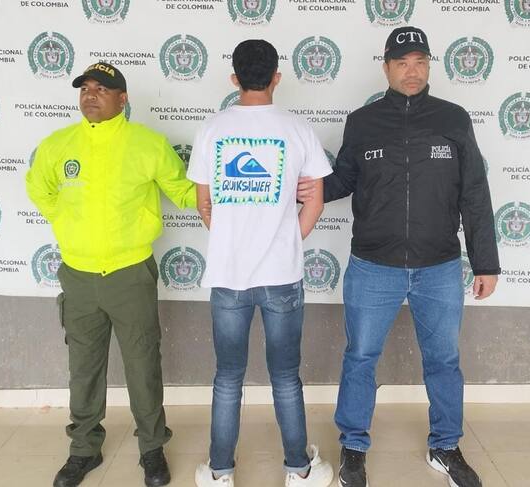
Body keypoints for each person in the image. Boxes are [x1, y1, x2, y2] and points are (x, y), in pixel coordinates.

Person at [298, 26, 500, 487]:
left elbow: (474, 192)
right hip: (374, 265)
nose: (412, 71)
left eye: (420, 62)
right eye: (402, 63)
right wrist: (297, 186)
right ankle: (353, 447)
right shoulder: (363, 122)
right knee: (360, 357)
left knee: (443, 360)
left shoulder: (453, 119)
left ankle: (445, 446)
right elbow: (343, 179)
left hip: (439, 266)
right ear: (386, 67)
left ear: (429, 66)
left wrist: (485, 263)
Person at [26, 62, 196, 487]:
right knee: (83, 367)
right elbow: (39, 189)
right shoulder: (58, 144)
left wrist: (235, 194)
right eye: (85, 88)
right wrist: (69, 223)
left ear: (123, 99)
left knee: (142, 365)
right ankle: (83, 449)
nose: (90, 95)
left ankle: (152, 449)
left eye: (101, 89)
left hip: (130, 273)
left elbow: (184, 192)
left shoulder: (148, 144)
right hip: (78, 276)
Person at [187, 39, 334, 487]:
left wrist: (234, 240)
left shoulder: (212, 128)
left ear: (234, 78)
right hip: (281, 276)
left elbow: (204, 204)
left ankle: (219, 473)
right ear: (276, 77)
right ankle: (298, 470)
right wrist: (284, 240)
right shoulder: (297, 128)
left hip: (228, 276)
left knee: (227, 377)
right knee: (285, 377)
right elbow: (315, 202)